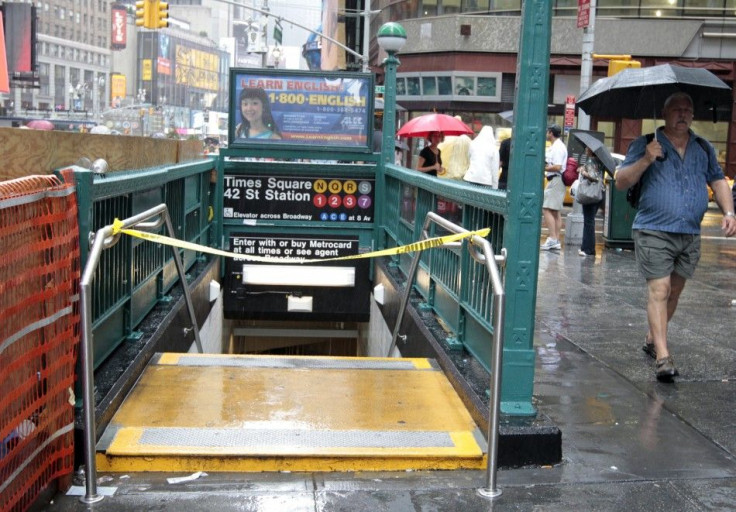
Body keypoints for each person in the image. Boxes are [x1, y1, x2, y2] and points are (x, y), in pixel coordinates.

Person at [615, 91, 736, 382]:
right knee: (660, 290)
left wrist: (729, 212)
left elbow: (718, 180)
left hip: (689, 232)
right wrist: (646, 159)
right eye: (676, 109)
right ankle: (663, 356)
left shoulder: (703, 147)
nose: (683, 114)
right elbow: (621, 181)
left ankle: (651, 336)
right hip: (654, 229)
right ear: (665, 114)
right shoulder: (645, 144)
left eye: (688, 109)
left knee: (675, 292)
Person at [540, 124, 567, 250]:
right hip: (557, 180)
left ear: (551, 133)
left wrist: (544, 167)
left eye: (547, 132)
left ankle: (552, 238)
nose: (547, 134)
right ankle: (555, 239)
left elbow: (557, 166)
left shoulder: (558, 147)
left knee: (546, 208)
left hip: (556, 179)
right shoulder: (557, 146)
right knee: (555, 211)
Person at [577, 148, 609, 257]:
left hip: (589, 193)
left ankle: (588, 249)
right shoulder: (601, 162)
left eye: (587, 148)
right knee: (590, 221)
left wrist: (583, 171)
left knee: (588, 222)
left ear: (591, 150)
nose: (585, 149)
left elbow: (593, 177)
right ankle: (587, 247)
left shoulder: (590, 161)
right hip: (598, 193)